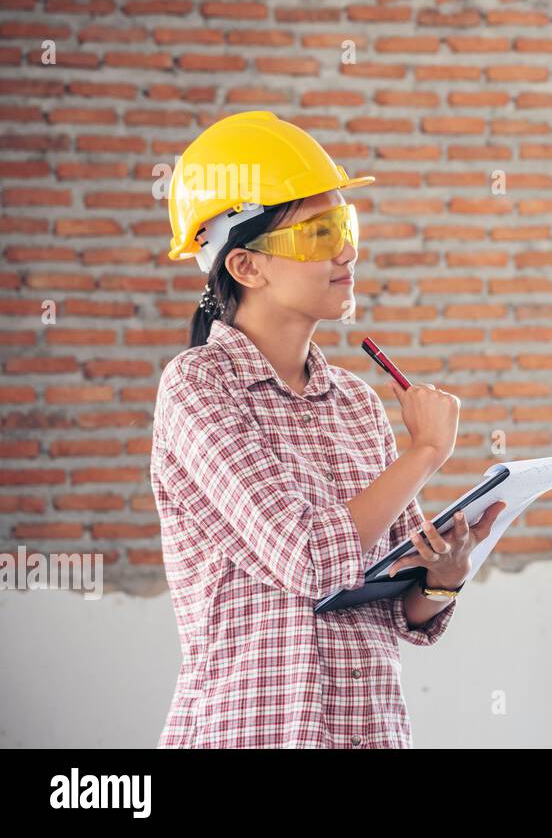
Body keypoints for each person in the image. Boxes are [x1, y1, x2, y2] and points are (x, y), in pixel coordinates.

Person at [149, 110, 506, 747]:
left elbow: (397, 607)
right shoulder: (198, 388)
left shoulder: (357, 404)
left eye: (345, 225)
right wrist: (424, 452)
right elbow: (310, 558)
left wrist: (444, 575)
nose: (347, 251)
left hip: (368, 731)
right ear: (245, 267)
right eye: (318, 233)